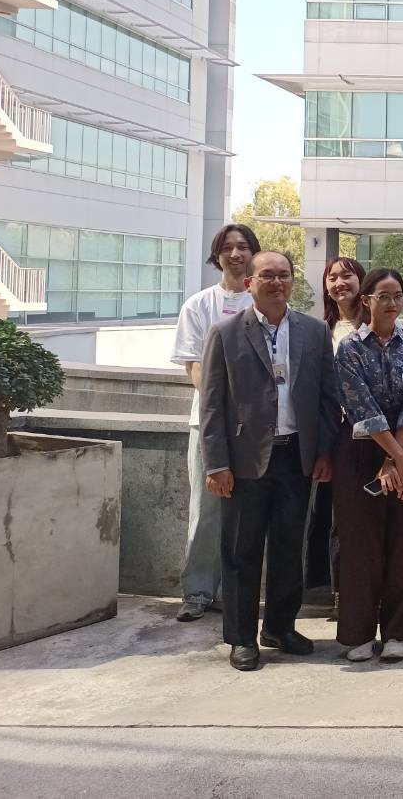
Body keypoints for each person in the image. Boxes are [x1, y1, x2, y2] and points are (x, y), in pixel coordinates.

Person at [199, 250, 339, 671]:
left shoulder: (315, 332)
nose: (276, 282)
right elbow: (212, 405)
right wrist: (216, 464)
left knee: (288, 548)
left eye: (283, 275)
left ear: (292, 281)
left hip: (296, 455)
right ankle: (242, 638)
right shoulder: (225, 333)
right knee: (241, 552)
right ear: (249, 283)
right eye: (267, 276)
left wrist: (324, 451)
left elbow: (328, 398)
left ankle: (279, 627)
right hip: (244, 461)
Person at [334, 268, 403, 663]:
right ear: (366, 300)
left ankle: (396, 632)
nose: (392, 304)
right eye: (384, 296)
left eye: (398, 296)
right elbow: (361, 405)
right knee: (361, 544)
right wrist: (395, 456)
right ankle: (358, 632)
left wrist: (398, 456)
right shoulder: (350, 348)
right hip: (361, 452)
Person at [170, 222, 260, 622]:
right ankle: (197, 591)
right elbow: (193, 367)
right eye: (228, 247)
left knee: (246, 515)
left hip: (257, 429)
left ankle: (233, 593)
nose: (235, 254)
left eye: (243, 247)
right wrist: (221, 408)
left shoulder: (264, 302)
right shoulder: (198, 305)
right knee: (205, 511)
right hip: (208, 424)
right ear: (217, 255)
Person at [308, 257, 366, 598]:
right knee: (335, 518)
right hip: (333, 435)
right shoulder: (319, 331)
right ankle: (341, 593)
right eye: (332, 277)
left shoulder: (377, 325)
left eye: (347, 275)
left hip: (373, 435)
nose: (340, 282)